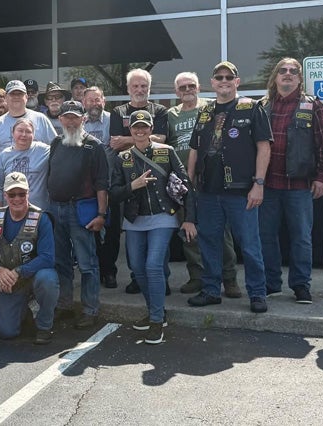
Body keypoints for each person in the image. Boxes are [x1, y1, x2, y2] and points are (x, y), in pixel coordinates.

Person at [186, 62, 271, 314]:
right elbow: (194, 148)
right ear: (212, 83)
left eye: (228, 77)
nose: (224, 81)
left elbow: (264, 147)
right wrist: (190, 181)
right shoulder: (205, 111)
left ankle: (257, 293)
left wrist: (259, 184)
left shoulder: (252, 107)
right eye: (219, 77)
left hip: (241, 190)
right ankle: (211, 290)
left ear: (237, 81)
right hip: (208, 191)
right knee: (209, 242)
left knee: (249, 244)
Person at [109, 110, 197, 345]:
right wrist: (133, 186)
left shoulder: (166, 152)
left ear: (151, 129)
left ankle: (156, 321)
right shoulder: (122, 157)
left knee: (153, 265)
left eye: (144, 127)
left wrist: (189, 219)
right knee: (137, 268)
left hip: (162, 217)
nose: (140, 131)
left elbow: (186, 185)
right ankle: (156, 311)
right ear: (130, 130)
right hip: (134, 220)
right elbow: (113, 194)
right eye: (136, 127)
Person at [259, 58, 323, 304]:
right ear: (275, 76)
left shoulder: (312, 105)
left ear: (300, 79)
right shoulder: (263, 106)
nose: (288, 74)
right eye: (283, 71)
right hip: (267, 185)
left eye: (293, 71)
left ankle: (301, 285)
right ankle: (271, 284)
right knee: (266, 235)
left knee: (301, 237)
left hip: (300, 186)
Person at [166, 71, 239, 296]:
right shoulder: (170, 115)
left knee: (220, 232)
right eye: (183, 87)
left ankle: (229, 279)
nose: (187, 90)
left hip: (210, 177)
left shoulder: (210, 107)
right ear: (176, 92)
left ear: (198, 88)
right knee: (189, 231)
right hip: (182, 182)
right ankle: (197, 277)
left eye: (191, 86)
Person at [47, 100, 109, 329]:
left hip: (81, 210)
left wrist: (101, 214)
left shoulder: (94, 146)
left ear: (83, 119)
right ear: (60, 120)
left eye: (75, 117)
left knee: (87, 264)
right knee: (61, 262)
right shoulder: (55, 143)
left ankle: (89, 310)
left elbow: (102, 184)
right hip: (56, 209)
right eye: (67, 117)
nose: (71, 121)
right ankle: (64, 305)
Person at [0, 171, 58, 345]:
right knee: (5, 332)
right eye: (12, 194)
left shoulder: (42, 218)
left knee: (48, 279)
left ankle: (44, 326)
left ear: (28, 193)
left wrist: (18, 271)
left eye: (21, 194)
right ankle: (23, 310)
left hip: (32, 278)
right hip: (9, 281)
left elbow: (48, 257)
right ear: (5, 195)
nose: (17, 199)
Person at [0, 80, 57, 165]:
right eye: (12, 94)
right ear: (6, 98)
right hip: (6, 177)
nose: (16, 97)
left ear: (26, 97)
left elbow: (55, 150)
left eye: (19, 94)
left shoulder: (41, 119)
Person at [0, 119, 51, 211]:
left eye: (28, 131)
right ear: (12, 133)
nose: (24, 135)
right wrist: (0, 209)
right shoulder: (4, 155)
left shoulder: (44, 151)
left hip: (39, 210)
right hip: (12, 212)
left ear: (34, 135)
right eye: (20, 130)